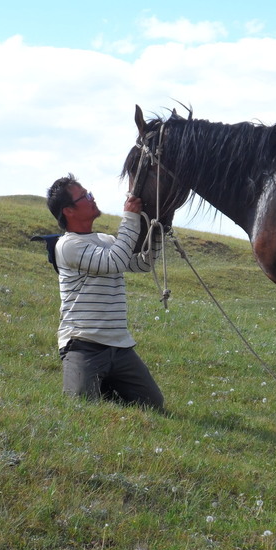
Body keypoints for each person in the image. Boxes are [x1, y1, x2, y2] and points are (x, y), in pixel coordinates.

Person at [45, 174, 164, 409]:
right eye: (85, 196)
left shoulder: (105, 240)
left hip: (119, 347)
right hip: (83, 344)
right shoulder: (68, 245)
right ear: (68, 210)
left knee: (153, 404)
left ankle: (105, 384)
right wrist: (129, 217)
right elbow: (115, 262)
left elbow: (142, 263)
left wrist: (158, 233)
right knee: (81, 405)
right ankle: (101, 384)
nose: (92, 198)